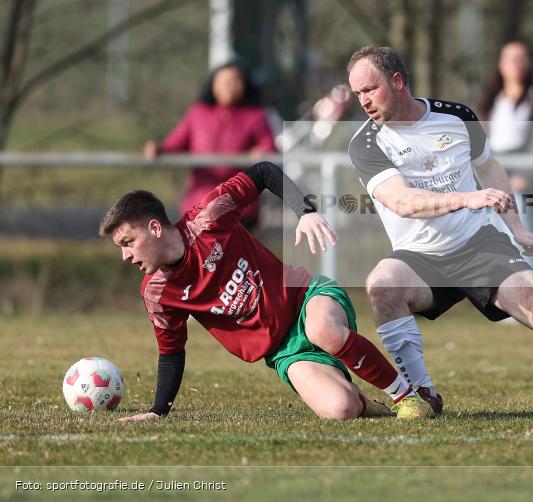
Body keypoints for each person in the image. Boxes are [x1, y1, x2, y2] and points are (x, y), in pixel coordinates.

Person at [346, 46, 533, 417]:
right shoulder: (365, 143)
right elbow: (402, 201)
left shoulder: (457, 117)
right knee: (382, 284)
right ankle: (422, 393)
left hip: (479, 246)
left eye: (369, 89)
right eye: (357, 93)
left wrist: (518, 229)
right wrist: (466, 198)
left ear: (397, 81)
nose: (363, 101)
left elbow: (489, 169)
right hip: (419, 257)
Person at [99, 161, 434, 421]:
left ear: (154, 228)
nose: (125, 256)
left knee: (322, 330)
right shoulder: (156, 292)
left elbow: (263, 172)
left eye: (128, 243)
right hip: (284, 351)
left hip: (306, 298)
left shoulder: (209, 218)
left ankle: (407, 398)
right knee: (340, 410)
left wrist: (305, 212)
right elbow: (171, 351)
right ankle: (362, 401)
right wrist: (159, 411)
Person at [144, 61, 277, 230]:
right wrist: (158, 149)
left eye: (235, 81)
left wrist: (262, 153)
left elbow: (270, 150)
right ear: (213, 85)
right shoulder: (197, 113)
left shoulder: (255, 116)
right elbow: (174, 143)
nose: (230, 86)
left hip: (241, 207)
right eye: (224, 81)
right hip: (200, 205)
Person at [477, 40, 533, 268]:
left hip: (524, 182)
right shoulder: (490, 100)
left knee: (523, 236)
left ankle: (530, 289)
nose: (518, 64)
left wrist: (525, 177)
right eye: (512, 59)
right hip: (492, 172)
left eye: (523, 59)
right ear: (501, 65)